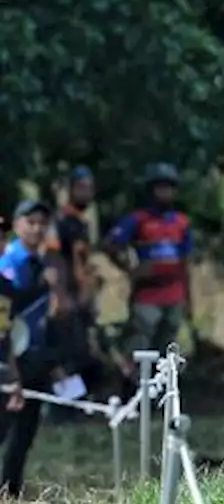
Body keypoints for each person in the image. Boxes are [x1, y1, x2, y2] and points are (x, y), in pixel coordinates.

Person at [0, 201, 62, 497]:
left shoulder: (40, 261)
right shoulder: (9, 261)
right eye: (30, 221)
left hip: (34, 353)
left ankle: (11, 490)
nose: (37, 228)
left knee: (25, 431)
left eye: (42, 223)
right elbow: (12, 306)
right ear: (17, 224)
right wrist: (42, 287)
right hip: (12, 355)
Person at [102, 163, 194, 358]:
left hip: (174, 295)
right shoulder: (139, 219)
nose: (164, 192)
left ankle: (162, 388)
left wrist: (188, 299)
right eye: (160, 187)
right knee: (139, 349)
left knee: (167, 351)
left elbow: (185, 262)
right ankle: (132, 386)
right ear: (151, 190)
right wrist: (129, 269)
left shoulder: (181, 223)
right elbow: (110, 244)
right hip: (147, 295)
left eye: (168, 188)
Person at [44, 166, 106, 414]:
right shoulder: (59, 222)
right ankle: (60, 408)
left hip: (80, 299)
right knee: (69, 356)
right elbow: (53, 258)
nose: (86, 193)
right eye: (81, 187)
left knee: (84, 356)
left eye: (90, 188)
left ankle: (73, 404)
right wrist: (60, 295)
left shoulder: (81, 223)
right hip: (64, 299)